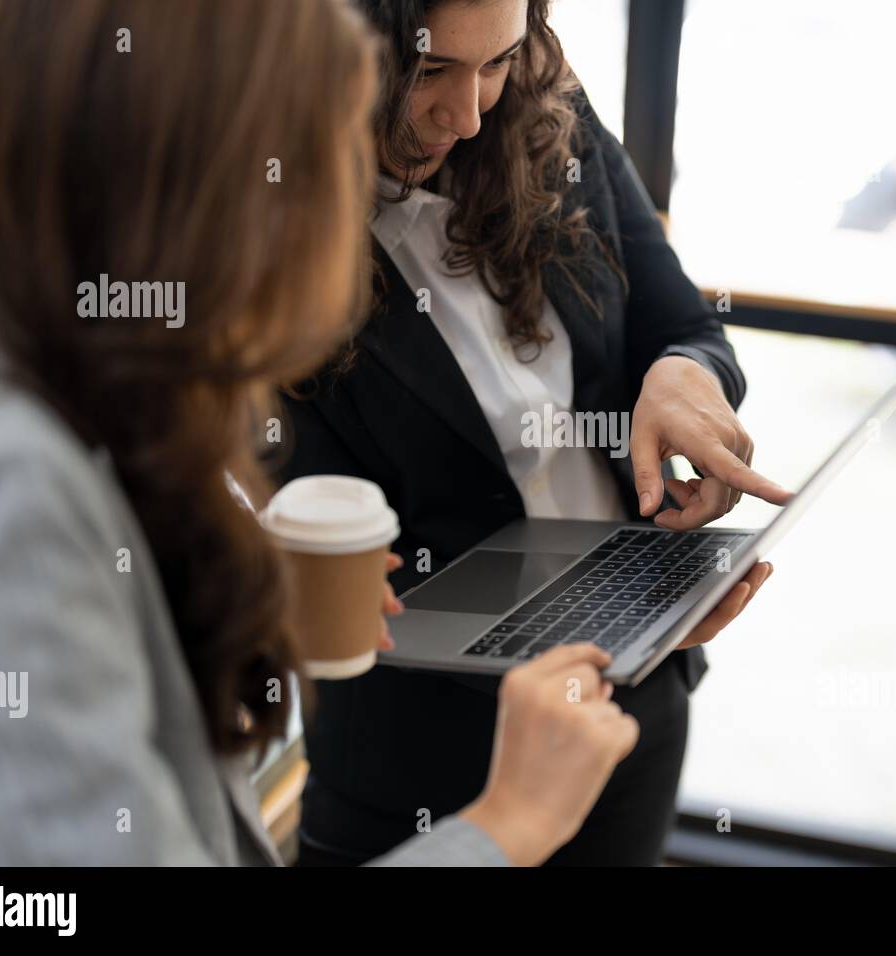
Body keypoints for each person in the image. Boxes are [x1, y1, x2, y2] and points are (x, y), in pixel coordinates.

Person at [0, 0, 637, 866]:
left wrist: (238, 603)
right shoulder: (2, 481)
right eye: (305, 161)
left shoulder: (68, 375)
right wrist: (508, 825)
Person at [279, 0, 786, 867]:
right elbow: (281, 505)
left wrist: (685, 379)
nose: (468, 114)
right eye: (430, 70)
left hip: (626, 708)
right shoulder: (258, 226)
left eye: (498, 61)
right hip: (418, 769)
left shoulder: (553, 118)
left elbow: (689, 330)